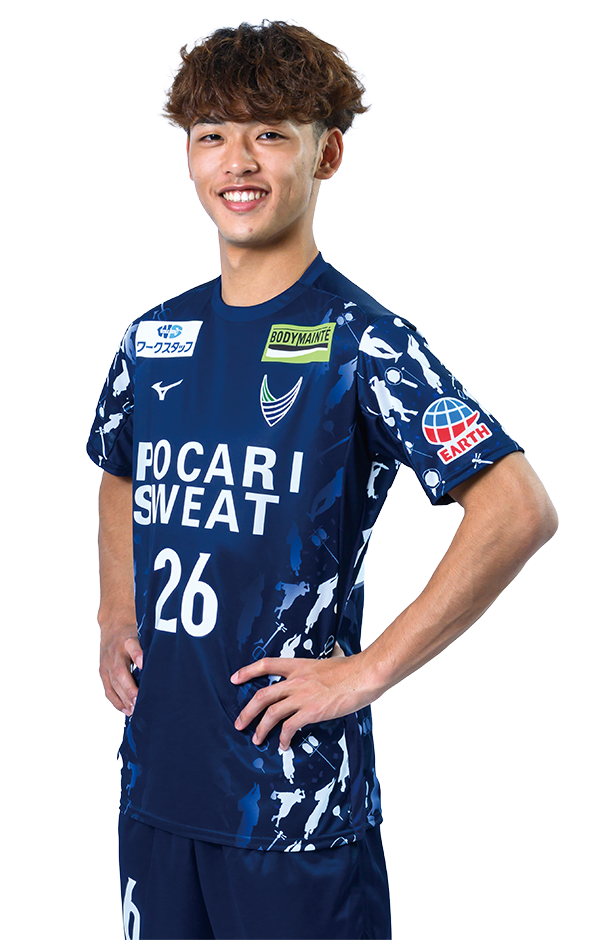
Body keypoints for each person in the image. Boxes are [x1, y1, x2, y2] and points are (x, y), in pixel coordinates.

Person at [87, 19, 558, 940]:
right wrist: (114, 609)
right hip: (157, 787)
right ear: (188, 157)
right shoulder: (152, 338)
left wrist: (366, 672)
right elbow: (120, 467)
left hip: (293, 807)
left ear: (327, 154)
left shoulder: (363, 340)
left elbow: (517, 508)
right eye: (212, 135)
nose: (238, 161)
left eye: (270, 133)